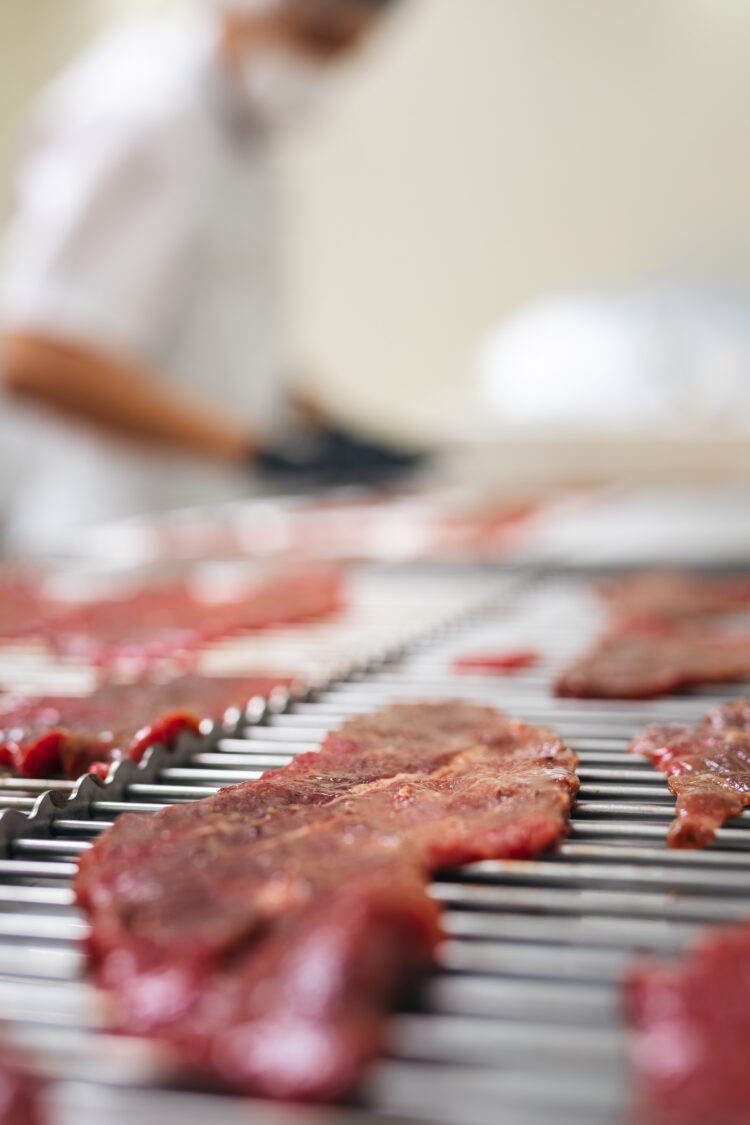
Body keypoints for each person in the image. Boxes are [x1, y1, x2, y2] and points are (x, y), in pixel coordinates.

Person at [0, 0, 416, 554]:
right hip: (101, 533)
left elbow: (210, 334)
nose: (332, 63)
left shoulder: (239, 129)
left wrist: (324, 428)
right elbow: (34, 354)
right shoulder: (142, 111)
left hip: (195, 524)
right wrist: (261, 449)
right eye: (317, 37)